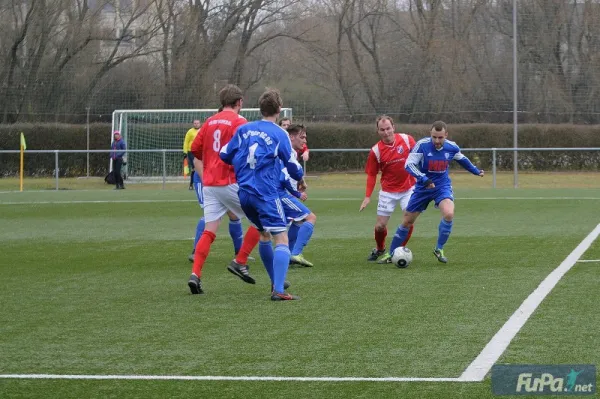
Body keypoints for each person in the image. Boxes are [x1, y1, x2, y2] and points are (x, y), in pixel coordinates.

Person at [220, 88, 304, 301]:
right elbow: (293, 166)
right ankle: (278, 290)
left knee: (263, 234)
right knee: (282, 238)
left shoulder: (244, 129)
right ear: (278, 109)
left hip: (244, 194)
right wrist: (300, 178)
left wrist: (242, 167)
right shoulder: (279, 133)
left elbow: (224, 154)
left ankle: (274, 282)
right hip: (266, 194)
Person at [186, 84, 261, 295]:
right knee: (261, 219)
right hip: (230, 182)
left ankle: (195, 275)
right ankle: (240, 260)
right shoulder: (240, 122)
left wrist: (204, 174)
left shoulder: (209, 122)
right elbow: (250, 153)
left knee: (209, 230)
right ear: (239, 102)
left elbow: (195, 152)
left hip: (210, 184)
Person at [392, 121, 484, 263]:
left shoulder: (451, 147)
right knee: (407, 221)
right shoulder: (422, 145)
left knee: (449, 213)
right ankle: (391, 253)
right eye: (434, 137)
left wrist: (476, 171)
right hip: (423, 187)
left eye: (440, 137)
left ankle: (439, 249)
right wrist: (424, 179)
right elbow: (409, 164)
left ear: (446, 135)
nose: (437, 140)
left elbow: (463, 160)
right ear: (430, 134)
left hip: (442, 187)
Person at [359, 116, 416, 263]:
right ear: (378, 131)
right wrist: (367, 196)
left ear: (393, 127)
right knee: (380, 226)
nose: (386, 132)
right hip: (388, 192)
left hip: (409, 188)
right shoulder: (376, 151)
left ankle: (398, 251)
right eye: (382, 130)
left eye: (388, 128)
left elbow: (419, 158)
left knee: (408, 221)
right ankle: (380, 249)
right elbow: (372, 175)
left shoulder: (407, 140)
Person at [188, 157, 250, 264]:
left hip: (222, 179)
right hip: (204, 178)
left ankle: (239, 253)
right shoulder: (211, 142)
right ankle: (195, 252)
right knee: (211, 216)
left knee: (234, 215)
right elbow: (197, 158)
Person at [280, 124, 316, 267]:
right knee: (310, 217)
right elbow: (282, 178)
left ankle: (289, 255)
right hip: (282, 195)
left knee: (298, 221)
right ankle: (295, 254)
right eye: (302, 137)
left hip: (283, 194)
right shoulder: (287, 152)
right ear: (291, 137)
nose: (304, 141)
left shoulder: (290, 152)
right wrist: (296, 192)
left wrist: (300, 182)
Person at [183, 120, 201, 190]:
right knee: (195, 168)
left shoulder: (202, 130)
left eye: (197, 123)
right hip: (191, 152)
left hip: (200, 152)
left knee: (200, 168)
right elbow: (186, 142)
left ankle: (199, 183)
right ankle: (191, 184)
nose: (196, 124)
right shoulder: (190, 131)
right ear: (193, 124)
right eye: (195, 123)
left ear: (200, 124)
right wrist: (185, 152)